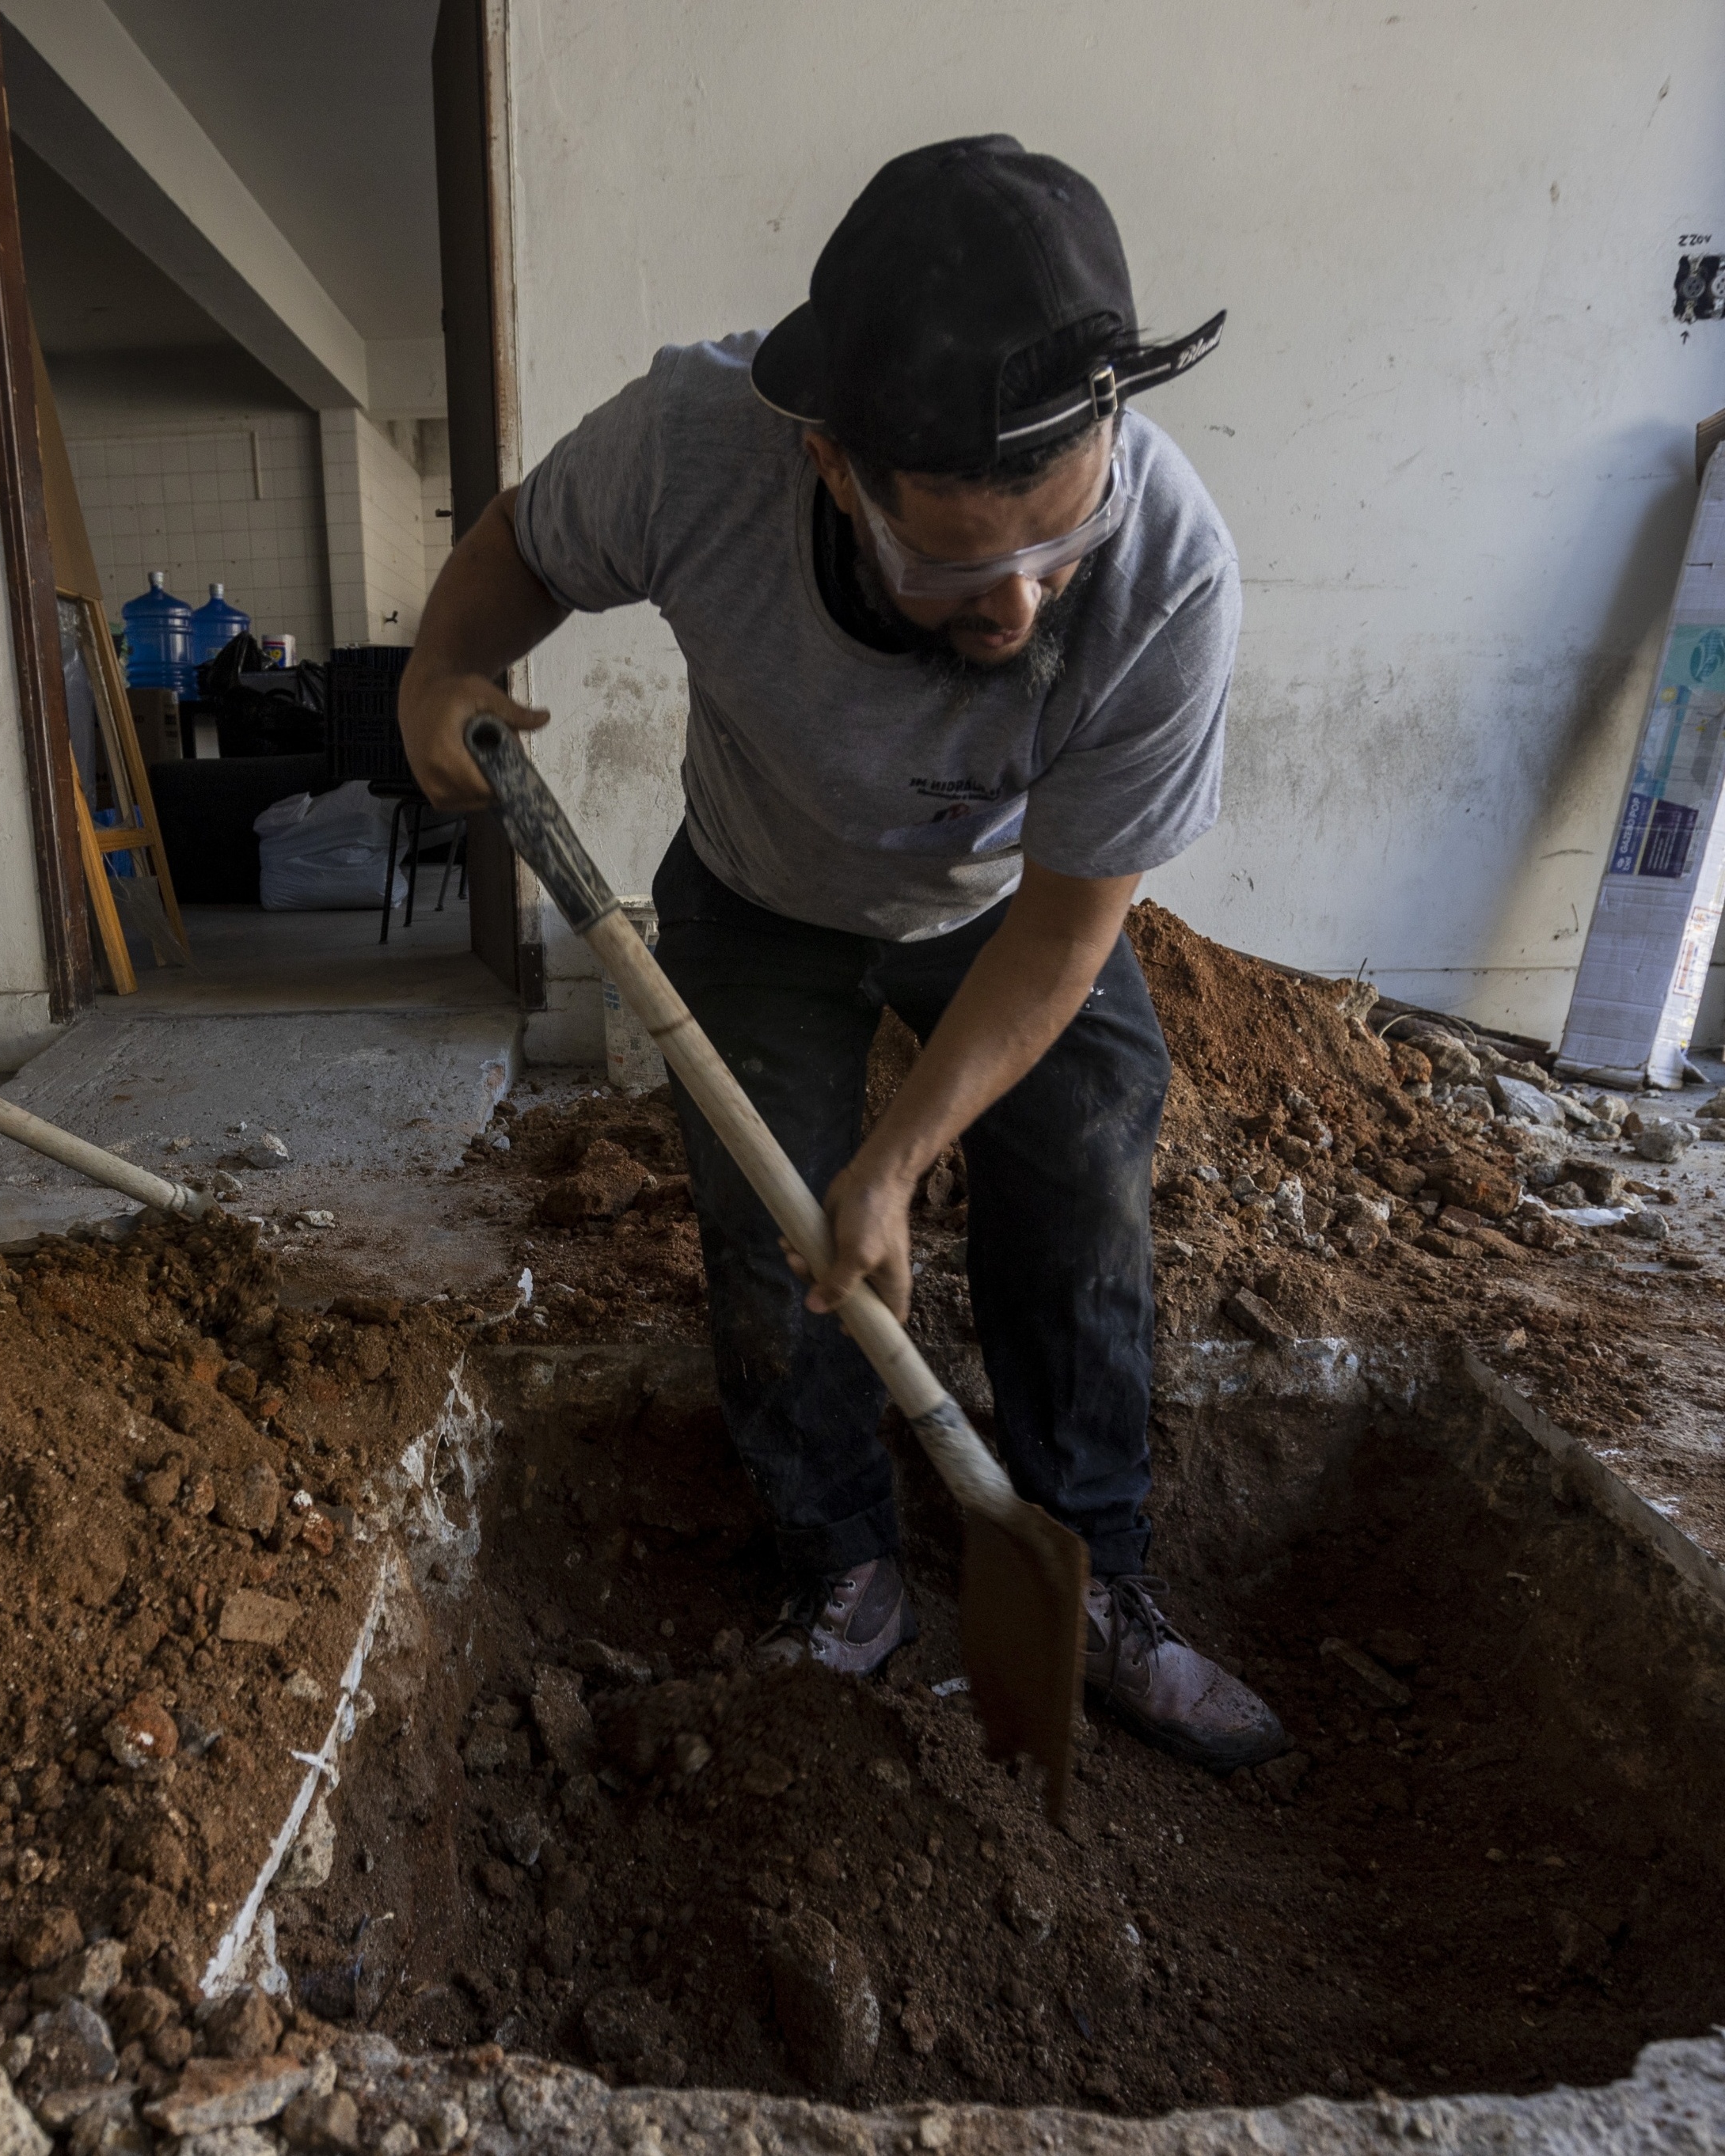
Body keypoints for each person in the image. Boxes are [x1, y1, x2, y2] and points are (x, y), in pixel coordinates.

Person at [401, 138, 1287, 1771]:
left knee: (1083, 1175)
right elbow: (522, 552)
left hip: (1002, 918)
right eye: (959, 564)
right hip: (756, 896)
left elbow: (1077, 919)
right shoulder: (691, 444)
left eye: (1054, 549)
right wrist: (441, 666)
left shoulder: (1170, 570)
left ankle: (1094, 1571)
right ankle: (843, 1565)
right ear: (831, 465)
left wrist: (901, 1156)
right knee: (770, 1235)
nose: (1017, 610)